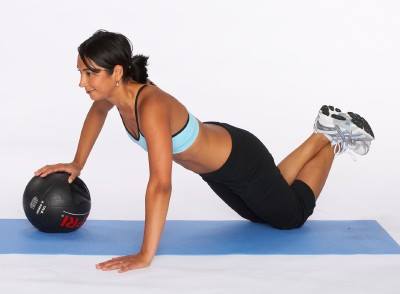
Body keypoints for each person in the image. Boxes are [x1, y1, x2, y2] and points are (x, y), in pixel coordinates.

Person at [34, 30, 375, 273]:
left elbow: (161, 184)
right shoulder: (113, 98)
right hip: (217, 167)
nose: (82, 81)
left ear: (117, 73)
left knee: (291, 216)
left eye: (90, 72)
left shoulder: (150, 106)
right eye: (81, 71)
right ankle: (322, 134)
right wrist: (77, 162)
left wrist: (145, 254)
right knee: (260, 214)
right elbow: (97, 113)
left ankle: (328, 139)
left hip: (240, 160)